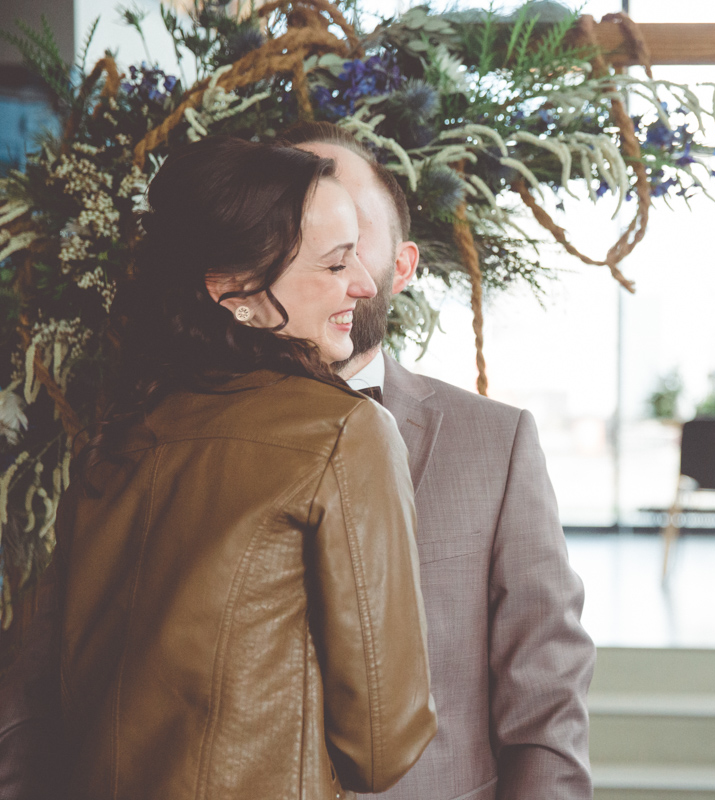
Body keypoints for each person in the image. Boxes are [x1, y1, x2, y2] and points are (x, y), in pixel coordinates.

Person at [7, 136, 437, 798]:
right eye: (332, 265)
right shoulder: (344, 434)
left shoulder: (113, 440)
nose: (362, 283)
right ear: (235, 291)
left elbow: (51, 703)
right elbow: (382, 747)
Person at [277, 121, 595, 800]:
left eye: (353, 230)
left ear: (402, 267)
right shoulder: (163, 439)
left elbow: (546, 711)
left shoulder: (495, 445)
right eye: (300, 228)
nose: (332, 255)